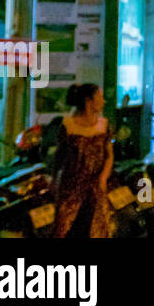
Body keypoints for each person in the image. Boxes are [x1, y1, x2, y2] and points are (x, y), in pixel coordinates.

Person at [52, 83, 113, 238]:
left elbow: (109, 156)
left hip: (95, 188)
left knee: (96, 230)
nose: (104, 101)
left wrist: (103, 178)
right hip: (71, 188)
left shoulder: (104, 125)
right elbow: (59, 158)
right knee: (66, 230)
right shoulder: (67, 125)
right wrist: (54, 181)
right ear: (89, 101)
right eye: (100, 97)